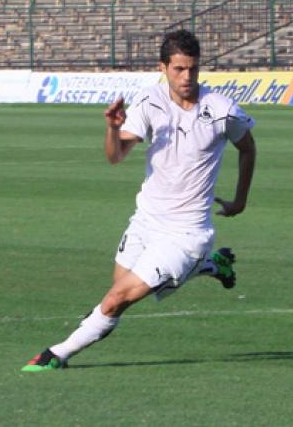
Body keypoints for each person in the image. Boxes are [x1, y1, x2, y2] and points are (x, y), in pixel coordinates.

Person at [22, 30, 256, 371]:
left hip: (187, 233)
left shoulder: (221, 110)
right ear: (163, 67)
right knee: (117, 291)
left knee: (116, 301)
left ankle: (57, 354)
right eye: (178, 69)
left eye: (192, 69)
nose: (187, 77)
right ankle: (211, 265)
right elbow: (115, 156)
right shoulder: (149, 102)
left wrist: (240, 200)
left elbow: (248, 148)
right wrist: (113, 129)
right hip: (146, 221)